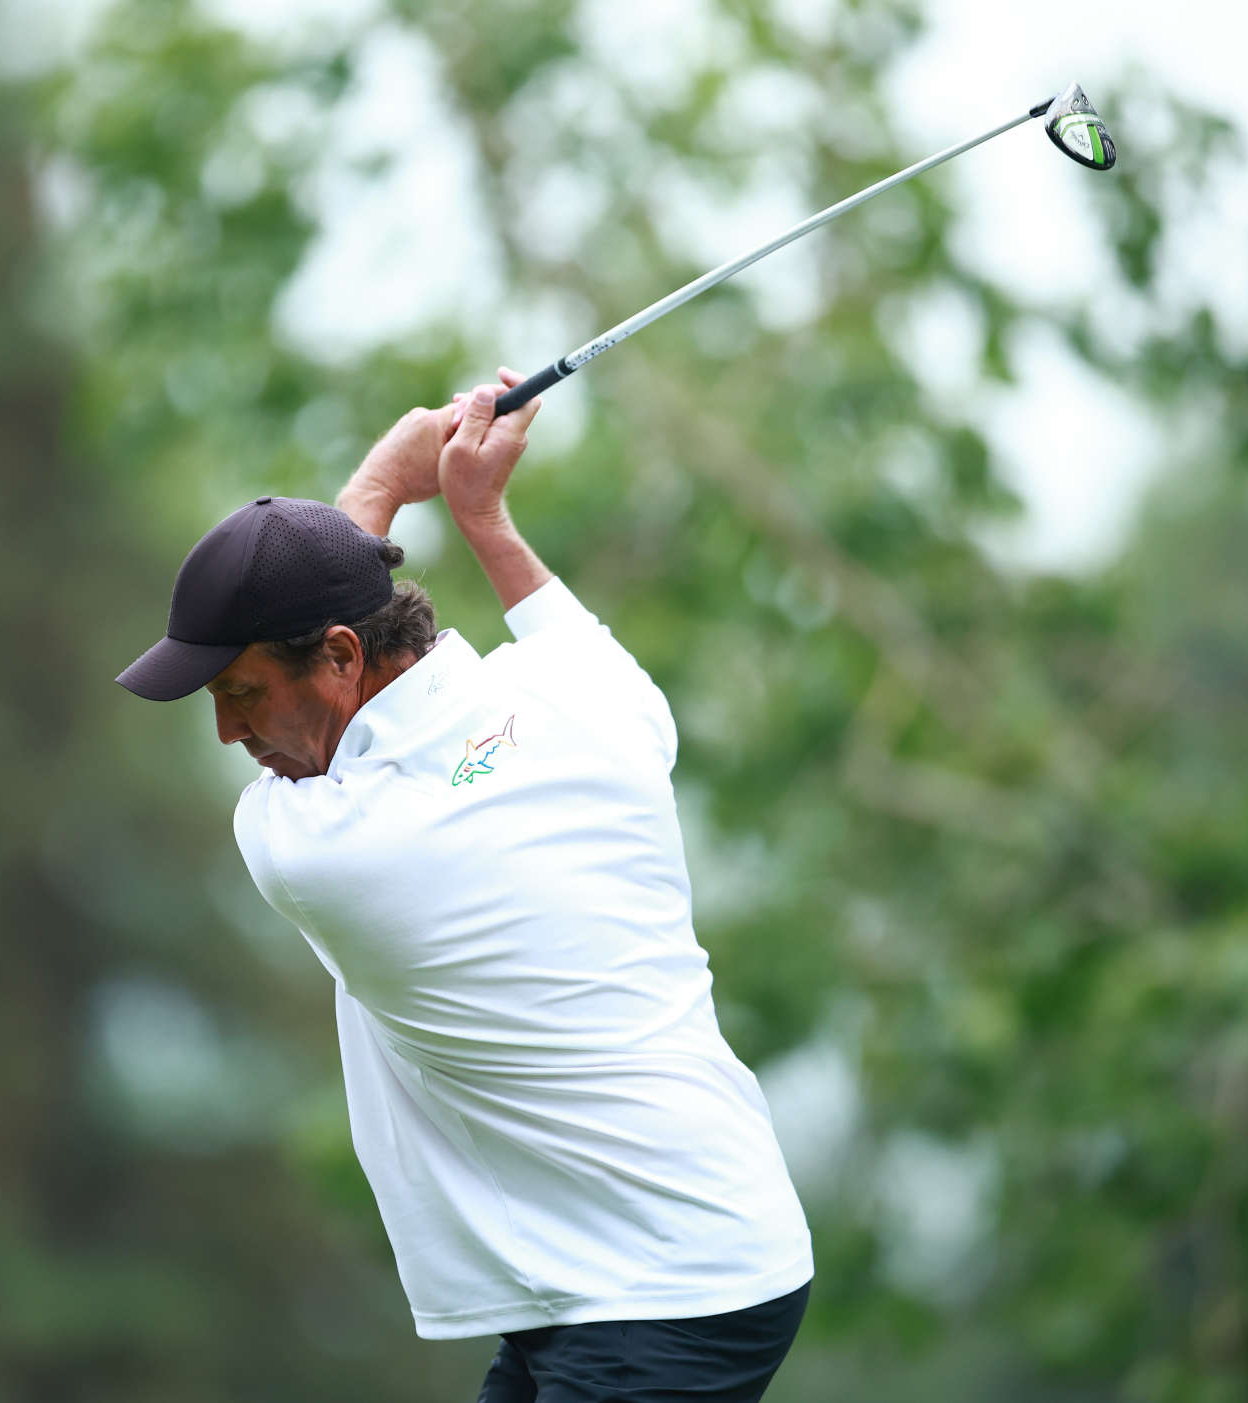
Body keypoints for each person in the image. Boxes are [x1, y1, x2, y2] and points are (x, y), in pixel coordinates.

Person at [116, 370, 813, 1402]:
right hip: (646, 1256)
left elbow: (366, 721)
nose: (232, 733)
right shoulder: (582, 701)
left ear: (344, 655)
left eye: (241, 693)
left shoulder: (335, 847)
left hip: (660, 1288)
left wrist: (380, 485)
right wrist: (479, 513)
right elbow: (564, 639)